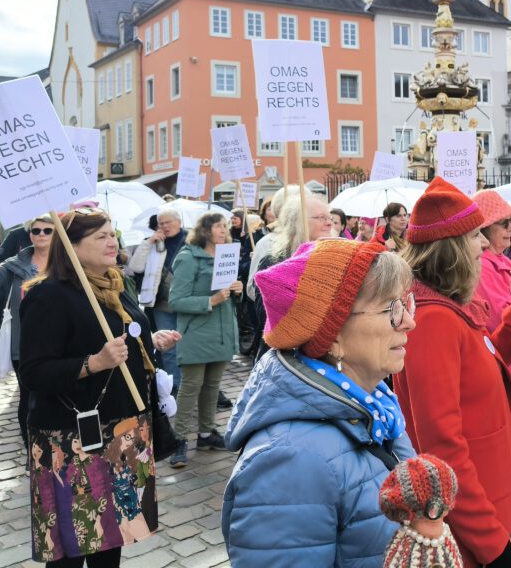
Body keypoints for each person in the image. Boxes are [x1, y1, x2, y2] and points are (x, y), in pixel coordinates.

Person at [223, 239, 417, 566]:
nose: (409, 321)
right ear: (334, 336)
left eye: (406, 304)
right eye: (391, 310)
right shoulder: (290, 460)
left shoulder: (377, 405)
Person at [19, 207, 180, 566]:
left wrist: (150, 342)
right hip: (72, 438)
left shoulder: (116, 283)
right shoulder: (48, 295)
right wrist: (92, 363)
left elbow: (121, 340)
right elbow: (32, 372)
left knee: (112, 539)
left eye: (112, 233)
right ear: (72, 247)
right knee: (72, 545)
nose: (112, 242)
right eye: (100, 237)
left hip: (123, 430)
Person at [395, 177, 511, 568]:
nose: (486, 244)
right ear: (452, 248)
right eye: (476, 235)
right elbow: (442, 448)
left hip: (491, 499)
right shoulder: (434, 321)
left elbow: (481, 363)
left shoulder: (448, 311)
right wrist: (493, 545)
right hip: (476, 523)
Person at [167, 212, 242, 467]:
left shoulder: (227, 255)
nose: (223, 230)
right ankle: (177, 439)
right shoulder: (189, 258)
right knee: (191, 387)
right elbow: (176, 300)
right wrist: (210, 301)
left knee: (212, 386)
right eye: (218, 226)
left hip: (223, 333)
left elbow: (229, 298)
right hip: (197, 333)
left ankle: (206, 434)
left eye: (225, 226)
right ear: (205, 230)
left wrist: (236, 291)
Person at [0, 214, 54, 444]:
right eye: (35, 230)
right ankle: (31, 447)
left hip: (60, 340)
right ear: (29, 233)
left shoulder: (68, 263)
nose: (40, 235)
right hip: (24, 342)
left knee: (57, 395)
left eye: (47, 231)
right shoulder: (16, 264)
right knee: (28, 396)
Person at [249, 192, 333, 362]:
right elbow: (266, 317)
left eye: (329, 217)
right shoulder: (275, 262)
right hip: (287, 359)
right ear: (299, 223)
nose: (330, 222)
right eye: (321, 218)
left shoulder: (333, 258)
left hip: (327, 357)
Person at [126, 209, 187, 392]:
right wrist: (149, 243)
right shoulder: (152, 243)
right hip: (163, 302)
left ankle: (190, 386)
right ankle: (175, 386)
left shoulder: (192, 240)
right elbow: (135, 266)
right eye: (162, 223)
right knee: (168, 346)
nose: (165, 226)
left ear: (179, 222)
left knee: (188, 345)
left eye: (169, 222)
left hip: (186, 301)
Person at [380, 455, 464, 568]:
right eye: (433, 517)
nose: (440, 523)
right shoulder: (403, 554)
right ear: (410, 516)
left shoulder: (446, 539)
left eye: (445, 511)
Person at [473, 190, 511, 333]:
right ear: (485, 228)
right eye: (504, 223)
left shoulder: (500, 258)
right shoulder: (482, 266)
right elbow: (501, 321)